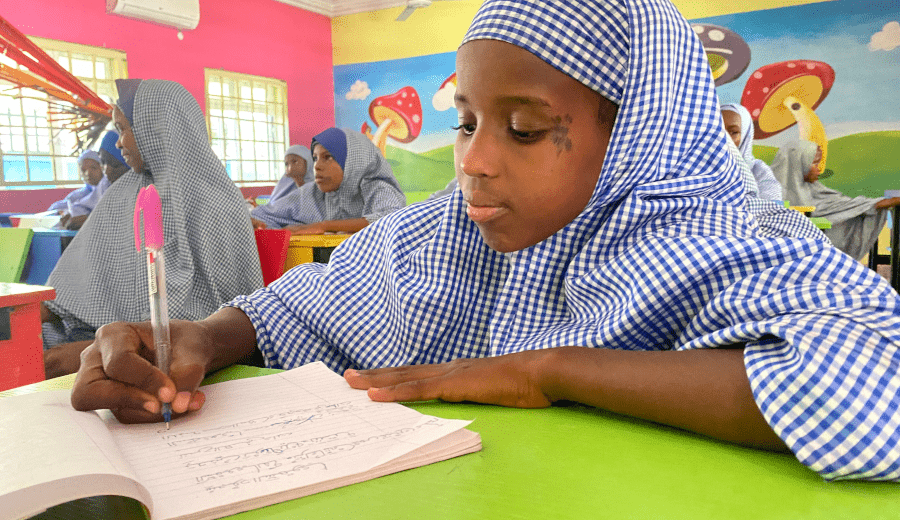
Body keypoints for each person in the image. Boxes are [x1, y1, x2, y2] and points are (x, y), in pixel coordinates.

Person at [70, 0, 900, 482]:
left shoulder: (721, 239)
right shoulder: (444, 229)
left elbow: (876, 390)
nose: (472, 162)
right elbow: (304, 305)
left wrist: (550, 370)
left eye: (527, 129)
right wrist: (204, 335)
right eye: (464, 121)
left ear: (638, 136)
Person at [41, 78, 263, 377]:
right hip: (95, 328)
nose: (118, 143)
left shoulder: (215, 201)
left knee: (50, 363)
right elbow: (74, 285)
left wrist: (137, 335)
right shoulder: (125, 192)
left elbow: (222, 307)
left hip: (171, 342)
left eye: (122, 129)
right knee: (29, 348)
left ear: (155, 129)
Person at [251, 127, 406, 235]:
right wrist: (255, 222)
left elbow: (391, 219)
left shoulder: (378, 187)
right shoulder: (311, 193)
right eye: (315, 158)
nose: (317, 166)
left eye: (328, 157)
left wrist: (324, 226)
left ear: (352, 161)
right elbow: (265, 216)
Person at [771, 139, 900, 261]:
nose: (819, 170)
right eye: (814, 163)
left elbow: (844, 206)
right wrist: (877, 204)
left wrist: (877, 204)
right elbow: (836, 208)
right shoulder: (772, 195)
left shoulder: (814, 190)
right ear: (798, 164)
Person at [721, 103, 784, 201]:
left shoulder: (758, 170)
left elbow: (772, 206)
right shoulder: (699, 167)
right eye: (719, 131)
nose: (725, 138)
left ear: (745, 136)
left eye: (733, 132)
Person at [249, 145, 314, 228]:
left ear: (308, 162)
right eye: (287, 164)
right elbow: (274, 207)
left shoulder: (318, 185)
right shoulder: (285, 183)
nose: (290, 167)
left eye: (294, 161)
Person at [49, 150, 109, 231]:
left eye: (93, 168)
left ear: (103, 168)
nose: (88, 173)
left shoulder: (107, 188)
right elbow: (55, 209)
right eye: (84, 170)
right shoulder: (78, 195)